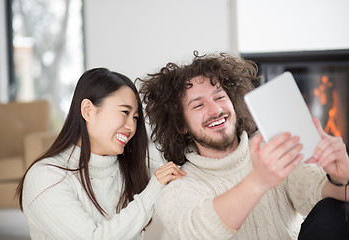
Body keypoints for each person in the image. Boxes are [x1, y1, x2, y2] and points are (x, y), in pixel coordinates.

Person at [138, 52, 349, 239]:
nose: (215, 110)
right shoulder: (178, 185)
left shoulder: (272, 148)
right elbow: (197, 231)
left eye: (219, 97)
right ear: (182, 125)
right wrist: (258, 181)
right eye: (199, 105)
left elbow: (322, 193)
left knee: (336, 210)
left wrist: (341, 176)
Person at [16, 68, 186, 239]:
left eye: (135, 118)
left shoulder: (137, 168)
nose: (131, 127)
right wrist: (152, 191)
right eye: (125, 112)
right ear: (88, 110)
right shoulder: (46, 177)